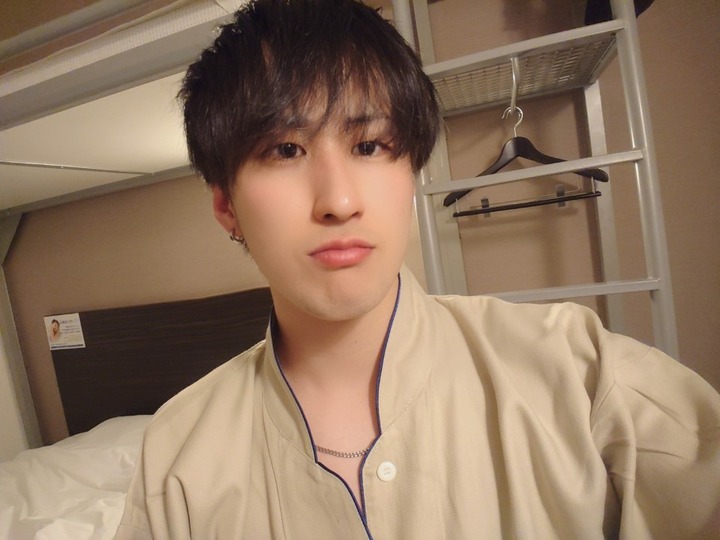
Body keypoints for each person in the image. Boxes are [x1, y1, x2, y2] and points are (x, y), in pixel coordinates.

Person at [115, 0, 720, 538]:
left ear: (412, 172)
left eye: (369, 146)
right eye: (285, 150)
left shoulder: (580, 374)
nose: (339, 201)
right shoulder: (178, 457)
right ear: (227, 206)